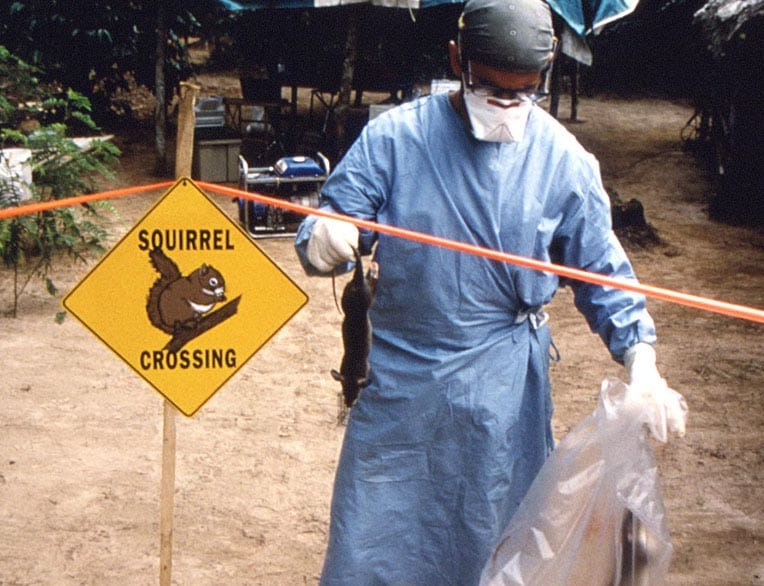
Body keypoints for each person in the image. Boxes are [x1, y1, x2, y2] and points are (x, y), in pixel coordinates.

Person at [294, 0, 688, 583]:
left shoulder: (563, 161)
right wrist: (325, 235)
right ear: (457, 60)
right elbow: (328, 224)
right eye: (491, 87)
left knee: (496, 545)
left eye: (524, 91)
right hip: (404, 390)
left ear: (546, 78)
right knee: (372, 546)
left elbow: (604, 273)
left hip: (503, 401)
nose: (506, 104)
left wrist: (643, 360)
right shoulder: (396, 139)